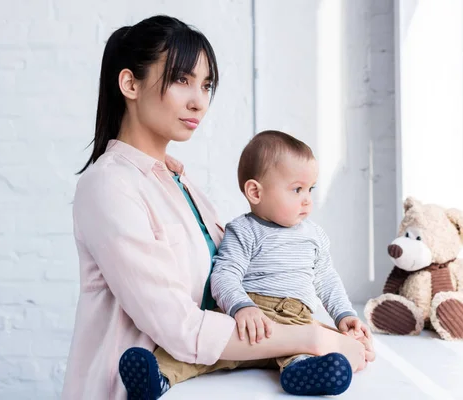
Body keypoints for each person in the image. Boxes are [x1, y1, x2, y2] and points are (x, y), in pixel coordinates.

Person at [62, 15, 372, 400]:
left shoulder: (179, 181)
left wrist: (336, 329)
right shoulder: (109, 185)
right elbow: (179, 326)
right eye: (181, 80)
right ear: (130, 83)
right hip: (121, 390)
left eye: (206, 85)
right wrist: (311, 337)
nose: (199, 101)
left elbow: (232, 284)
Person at [119, 131, 373, 397]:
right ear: (255, 192)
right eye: (297, 189)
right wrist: (242, 307)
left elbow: (327, 279)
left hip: (297, 317)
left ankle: (300, 372)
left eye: (311, 189)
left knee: (311, 347)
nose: (307, 199)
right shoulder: (244, 230)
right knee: (208, 348)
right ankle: (158, 376)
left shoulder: (314, 235)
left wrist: (345, 315)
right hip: (252, 311)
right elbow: (224, 274)